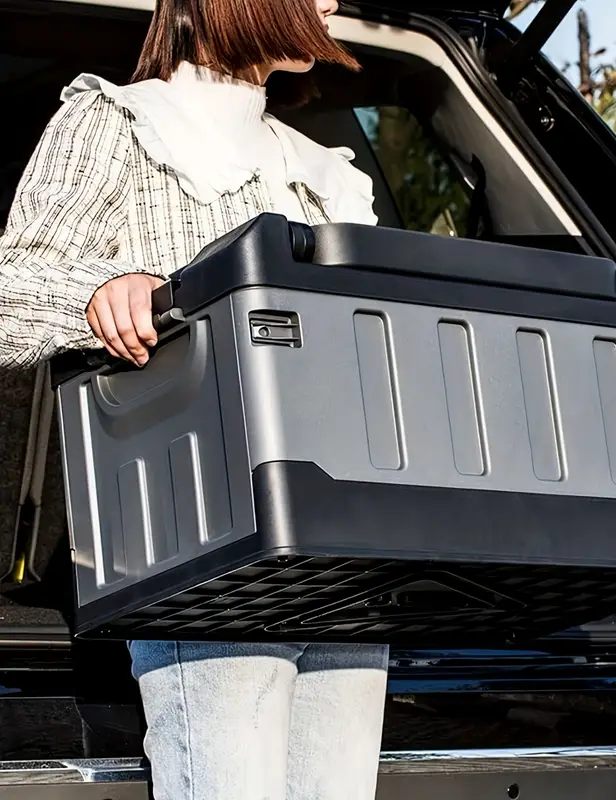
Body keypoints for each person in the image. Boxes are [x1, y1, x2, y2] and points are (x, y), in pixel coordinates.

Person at [0, 0, 389, 798]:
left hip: (343, 555)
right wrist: (106, 290)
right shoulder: (118, 123)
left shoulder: (326, 171)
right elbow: (12, 290)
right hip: (203, 550)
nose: (334, 5)